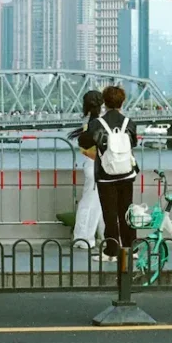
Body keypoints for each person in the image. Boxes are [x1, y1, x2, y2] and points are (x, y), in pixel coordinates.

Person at [78, 86, 139, 261]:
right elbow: (133, 142)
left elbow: (84, 141)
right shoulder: (129, 122)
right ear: (123, 101)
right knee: (126, 212)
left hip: (106, 175)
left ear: (105, 102)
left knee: (110, 213)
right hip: (126, 173)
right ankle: (131, 249)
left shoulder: (98, 124)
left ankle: (111, 251)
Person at [71, 91, 104, 249]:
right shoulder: (101, 123)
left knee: (91, 202)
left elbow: (84, 146)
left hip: (90, 165)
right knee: (94, 204)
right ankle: (85, 238)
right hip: (99, 166)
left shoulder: (89, 123)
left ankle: (84, 237)